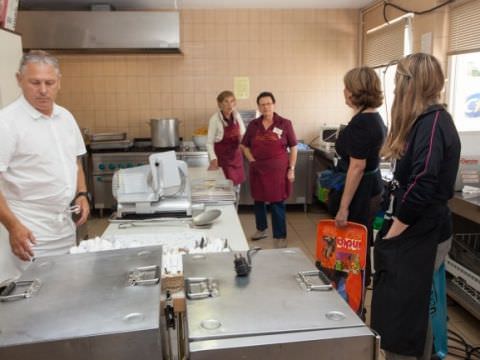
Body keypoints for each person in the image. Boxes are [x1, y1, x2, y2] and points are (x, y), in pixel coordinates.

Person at [371, 53, 461, 360]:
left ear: (410, 83)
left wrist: (394, 233)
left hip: (422, 232)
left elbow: (423, 183)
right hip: (411, 230)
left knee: (406, 311)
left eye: (398, 80)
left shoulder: (434, 123)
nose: (395, 88)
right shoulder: (421, 123)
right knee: (403, 306)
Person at [0, 50, 89, 268]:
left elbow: (74, 162)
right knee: (31, 295)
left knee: (63, 287)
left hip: (63, 227)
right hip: (27, 231)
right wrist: (13, 227)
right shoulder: (7, 123)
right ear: (19, 80)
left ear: (59, 82)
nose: (42, 90)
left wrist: (81, 193)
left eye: (49, 82)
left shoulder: (65, 117)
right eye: (34, 82)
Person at [330, 66, 386, 292]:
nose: (344, 91)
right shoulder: (373, 117)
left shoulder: (363, 122)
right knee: (358, 243)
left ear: (354, 91)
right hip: (369, 187)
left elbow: (357, 166)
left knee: (350, 245)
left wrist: (343, 208)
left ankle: (349, 295)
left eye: (346, 87)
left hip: (360, 193)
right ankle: (355, 290)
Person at [241, 91, 297, 248]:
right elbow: (244, 145)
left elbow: (293, 147)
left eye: (268, 103)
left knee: (276, 202)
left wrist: (291, 168)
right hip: (258, 168)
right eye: (262, 104)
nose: (266, 107)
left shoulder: (285, 123)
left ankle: (280, 236)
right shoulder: (254, 125)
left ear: (274, 104)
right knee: (258, 200)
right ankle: (261, 229)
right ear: (258, 106)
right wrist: (251, 158)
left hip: (278, 171)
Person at [206, 90, 246, 188]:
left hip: (236, 159)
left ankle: (236, 203)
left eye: (232, 101)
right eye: (226, 101)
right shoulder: (214, 119)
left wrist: (245, 143)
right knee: (225, 188)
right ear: (220, 104)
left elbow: (243, 133)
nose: (230, 105)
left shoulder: (237, 116)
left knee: (237, 189)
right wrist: (213, 159)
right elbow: (209, 143)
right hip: (223, 160)